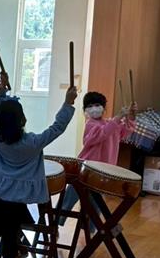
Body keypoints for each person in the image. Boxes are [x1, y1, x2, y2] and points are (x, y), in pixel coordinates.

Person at [0, 84, 78, 258]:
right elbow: (57, 128)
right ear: (22, 120)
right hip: (16, 199)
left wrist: (0, 93)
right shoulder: (33, 143)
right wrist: (68, 103)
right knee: (10, 236)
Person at [57, 91, 136, 226]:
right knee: (70, 198)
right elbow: (102, 134)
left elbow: (126, 130)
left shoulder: (111, 123)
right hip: (85, 169)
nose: (94, 108)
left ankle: (90, 230)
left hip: (103, 171)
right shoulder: (90, 124)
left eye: (97, 105)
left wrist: (131, 116)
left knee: (95, 204)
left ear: (104, 108)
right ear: (85, 110)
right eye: (90, 106)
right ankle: (56, 221)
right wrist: (118, 117)